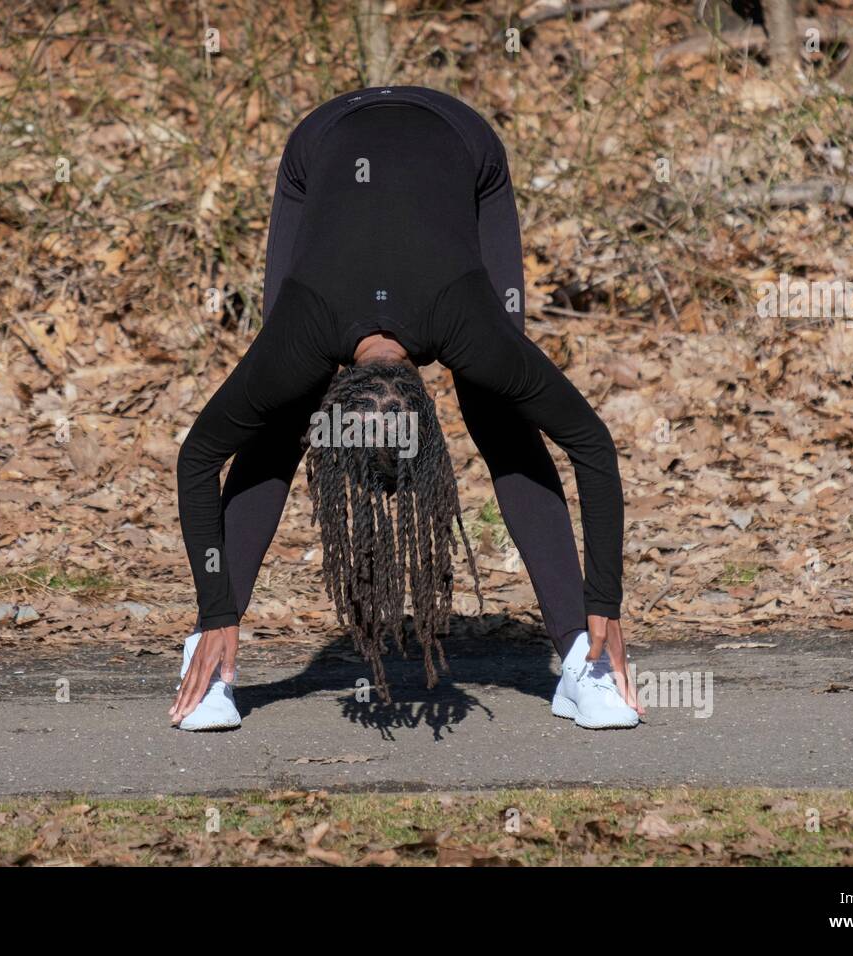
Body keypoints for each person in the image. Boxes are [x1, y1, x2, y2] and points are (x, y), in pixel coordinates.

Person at [172, 86, 641, 731]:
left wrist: (603, 604)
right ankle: (209, 653)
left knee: (499, 410)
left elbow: (591, 442)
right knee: (278, 420)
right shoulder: (299, 340)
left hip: (461, 142)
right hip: (325, 148)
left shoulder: (472, 332)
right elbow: (196, 458)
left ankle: (582, 660)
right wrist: (217, 607)